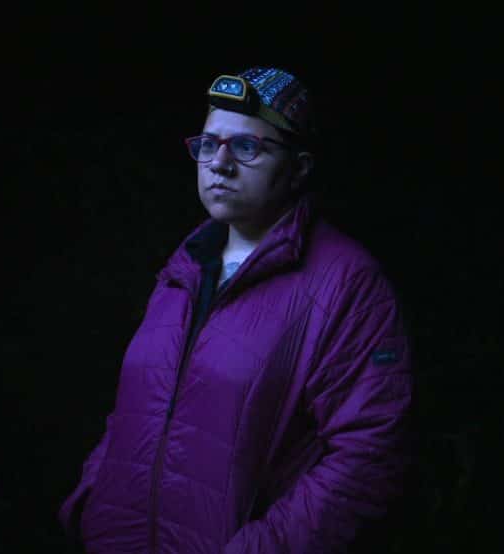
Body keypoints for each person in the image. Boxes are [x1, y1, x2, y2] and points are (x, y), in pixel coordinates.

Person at [58, 66, 414, 553]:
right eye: (209, 144)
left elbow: (369, 454)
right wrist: (89, 506)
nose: (219, 164)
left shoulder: (347, 284)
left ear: (300, 166)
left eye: (247, 147)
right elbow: (134, 413)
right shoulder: (183, 270)